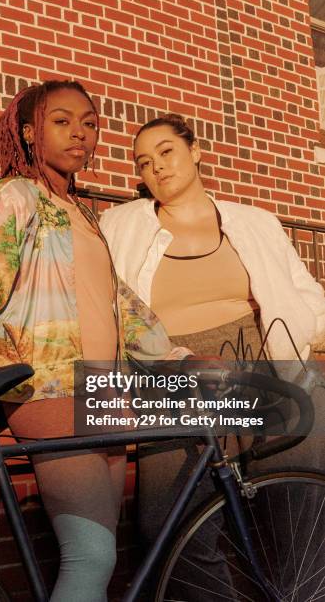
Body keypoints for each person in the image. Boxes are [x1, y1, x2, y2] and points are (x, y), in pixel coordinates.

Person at [0, 81, 176, 602]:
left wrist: (177, 357)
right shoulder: (14, 195)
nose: (80, 133)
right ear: (31, 132)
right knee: (90, 557)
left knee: (102, 557)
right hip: (50, 389)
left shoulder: (83, 214)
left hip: (105, 393)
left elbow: (120, 304)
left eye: (90, 122)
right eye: (62, 121)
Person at [100, 113, 325, 547]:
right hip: (174, 374)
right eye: (144, 163)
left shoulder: (255, 222)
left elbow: (304, 295)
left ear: (196, 151)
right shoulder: (117, 226)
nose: (157, 167)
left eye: (166, 152)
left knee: (299, 517)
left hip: (267, 365)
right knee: (172, 528)